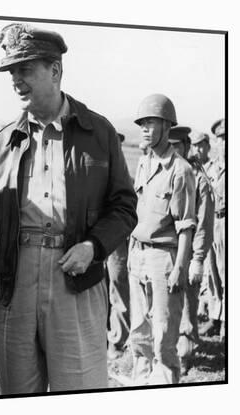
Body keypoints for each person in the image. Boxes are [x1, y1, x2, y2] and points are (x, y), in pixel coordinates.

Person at [0, 23, 137, 393]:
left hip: (76, 278)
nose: (16, 80)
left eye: (25, 69)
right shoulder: (1, 145)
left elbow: (124, 205)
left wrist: (94, 247)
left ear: (55, 70)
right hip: (15, 283)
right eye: (12, 72)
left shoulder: (99, 133)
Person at [129, 94, 196, 385]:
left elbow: (185, 226)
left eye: (151, 122)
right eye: (142, 123)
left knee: (163, 340)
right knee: (139, 336)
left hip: (164, 260)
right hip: (138, 255)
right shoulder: (144, 163)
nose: (144, 128)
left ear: (167, 126)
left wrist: (181, 266)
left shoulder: (181, 170)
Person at [168, 126, 214, 375]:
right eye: (170, 145)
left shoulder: (199, 179)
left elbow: (205, 223)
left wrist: (197, 259)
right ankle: (170, 350)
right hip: (168, 251)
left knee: (187, 304)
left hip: (188, 253)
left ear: (186, 146)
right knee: (169, 305)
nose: (173, 150)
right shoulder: (169, 171)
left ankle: (185, 354)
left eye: (177, 146)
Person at [199, 118, 226, 339]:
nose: (224, 143)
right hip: (212, 223)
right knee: (212, 273)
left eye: (227, 138)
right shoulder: (211, 168)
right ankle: (215, 318)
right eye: (221, 139)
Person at [106, 131, 131, 360]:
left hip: (116, 242)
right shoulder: (94, 172)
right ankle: (104, 336)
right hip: (94, 242)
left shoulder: (125, 178)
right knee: (99, 290)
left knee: (118, 288)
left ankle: (118, 340)